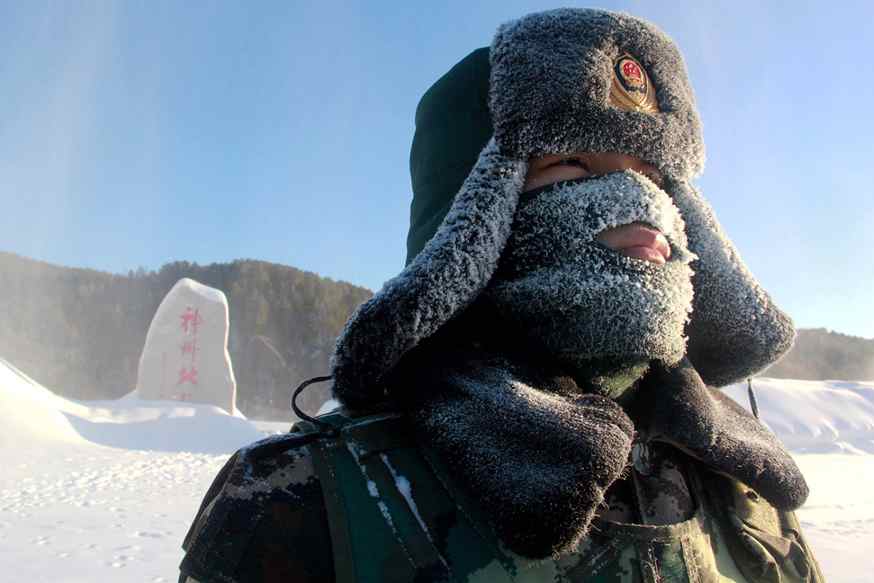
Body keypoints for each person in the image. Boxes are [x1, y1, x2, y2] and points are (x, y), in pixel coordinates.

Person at [179, 8, 825, 582]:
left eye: (652, 177)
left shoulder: (748, 497)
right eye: (571, 165)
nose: (642, 209)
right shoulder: (308, 504)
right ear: (468, 225)